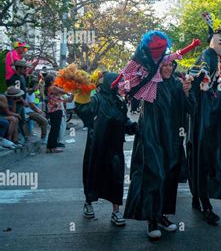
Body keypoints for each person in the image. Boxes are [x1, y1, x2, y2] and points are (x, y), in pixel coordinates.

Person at [124, 53, 195, 239]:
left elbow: (190, 109)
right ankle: (151, 220)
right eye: (165, 65)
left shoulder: (176, 85)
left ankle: (162, 215)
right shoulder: (150, 85)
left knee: (169, 179)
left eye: (172, 65)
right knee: (153, 177)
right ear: (157, 67)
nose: (169, 68)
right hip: (152, 138)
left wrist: (187, 92)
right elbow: (133, 83)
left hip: (172, 140)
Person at [187, 26, 221, 225]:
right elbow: (196, 81)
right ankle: (205, 203)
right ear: (210, 42)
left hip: (214, 127)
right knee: (202, 161)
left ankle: (200, 197)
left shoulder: (217, 77)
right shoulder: (206, 57)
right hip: (201, 125)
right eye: (220, 40)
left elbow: (220, 93)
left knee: (210, 161)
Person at [75, 72, 137, 226]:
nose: (120, 85)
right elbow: (84, 111)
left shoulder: (118, 101)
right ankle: (88, 202)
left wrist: (135, 127)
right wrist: (82, 93)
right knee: (93, 175)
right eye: (117, 82)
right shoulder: (96, 99)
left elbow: (124, 120)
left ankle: (116, 211)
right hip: (97, 146)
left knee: (116, 178)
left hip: (115, 148)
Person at [44, 75, 66, 153]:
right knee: (55, 129)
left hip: (52, 110)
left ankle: (50, 147)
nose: (56, 80)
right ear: (51, 81)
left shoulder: (49, 88)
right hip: (56, 110)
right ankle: (53, 147)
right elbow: (64, 91)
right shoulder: (53, 87)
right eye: (54, 79)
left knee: (54, 129)